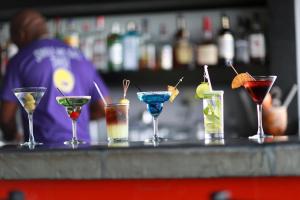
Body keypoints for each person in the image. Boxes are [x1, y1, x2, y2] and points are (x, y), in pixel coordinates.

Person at [0, 9, 110, 143]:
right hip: (84, 150)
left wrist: (11, 137)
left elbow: (6, 117)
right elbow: (105, 107)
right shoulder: (80, 56)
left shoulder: (20, 60)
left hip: (42, 154)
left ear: (21, 35)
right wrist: (73, 117)